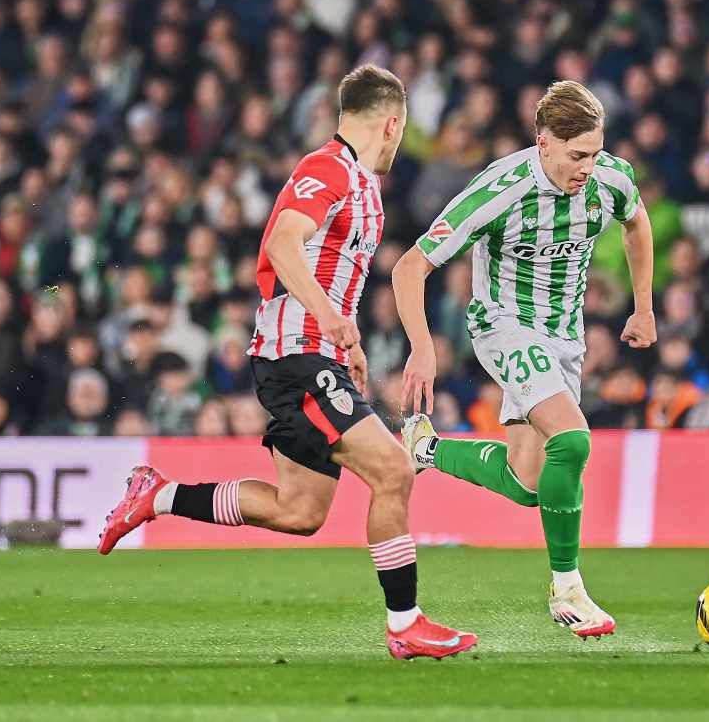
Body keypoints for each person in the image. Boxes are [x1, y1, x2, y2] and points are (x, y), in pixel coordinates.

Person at [96, 66, 477, 661]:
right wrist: (328, 320)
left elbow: (334, 277)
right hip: (294, 353)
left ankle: (159, 495)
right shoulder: (326, 167)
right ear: (393, 123)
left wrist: (346, 345)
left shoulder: (365, 185)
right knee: (394, 471)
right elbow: (281, 243)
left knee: (299, 512)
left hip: (313, 354)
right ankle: (405, 624)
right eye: (402, 131)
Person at [391, 81, 657, 639]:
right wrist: (422, 344)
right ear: (543, 144)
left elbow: (637, 224)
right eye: (576, 155)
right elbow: (410, 266)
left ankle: (425, 449)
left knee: (530, 483)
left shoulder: (610, 178)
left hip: (564, 338)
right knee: (574, 441)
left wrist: (644, 306)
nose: (588, 166)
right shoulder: (499, 189)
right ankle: (568, 588)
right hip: (504, 328)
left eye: (595, 151)